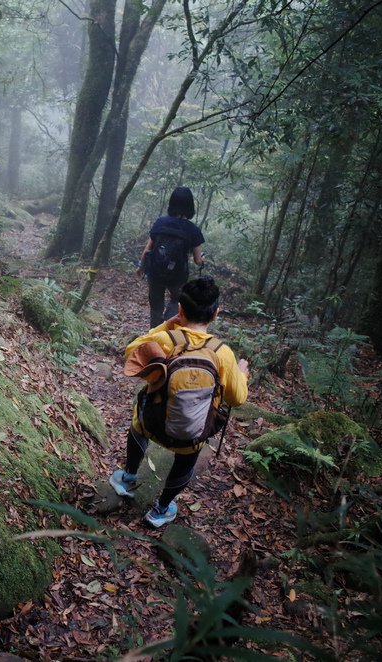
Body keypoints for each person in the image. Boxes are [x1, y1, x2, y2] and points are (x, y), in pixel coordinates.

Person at [109, 277, 250, 528]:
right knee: (188, 459)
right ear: (215, 314)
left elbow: (131, 352)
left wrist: (165, 325)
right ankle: (161, 509)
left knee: (136, 423)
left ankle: (128, 478)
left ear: (180, 310)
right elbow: (236, 398)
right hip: (191, 437)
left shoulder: (166, 340)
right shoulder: (222, 354)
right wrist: (241, 375)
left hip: (153, 425)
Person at [139, 187, 206, 328]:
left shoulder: (160, 222)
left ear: (172, 203)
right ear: (190, 205)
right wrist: (202, 260)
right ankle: (168, 329)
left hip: (155, 273)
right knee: (176, 300)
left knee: (156, 307)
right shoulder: (193, 230)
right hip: (178, 276)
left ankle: (154, 334)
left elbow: (147, 250)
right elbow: (197, 260)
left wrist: (141, 267)